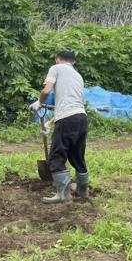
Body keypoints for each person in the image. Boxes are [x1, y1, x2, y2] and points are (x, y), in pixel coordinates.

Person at [29, 50, 89, 203]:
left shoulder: (56, 68)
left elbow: (47, 90)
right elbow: (71, 104)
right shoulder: (78, 76)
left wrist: (39, 102)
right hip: (81, 118)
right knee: (77, 155)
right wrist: (49, 123)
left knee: (56, 156)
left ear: (57, 60)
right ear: (73, 62)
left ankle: (63, 194)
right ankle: (82, 190)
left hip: (66, 119)